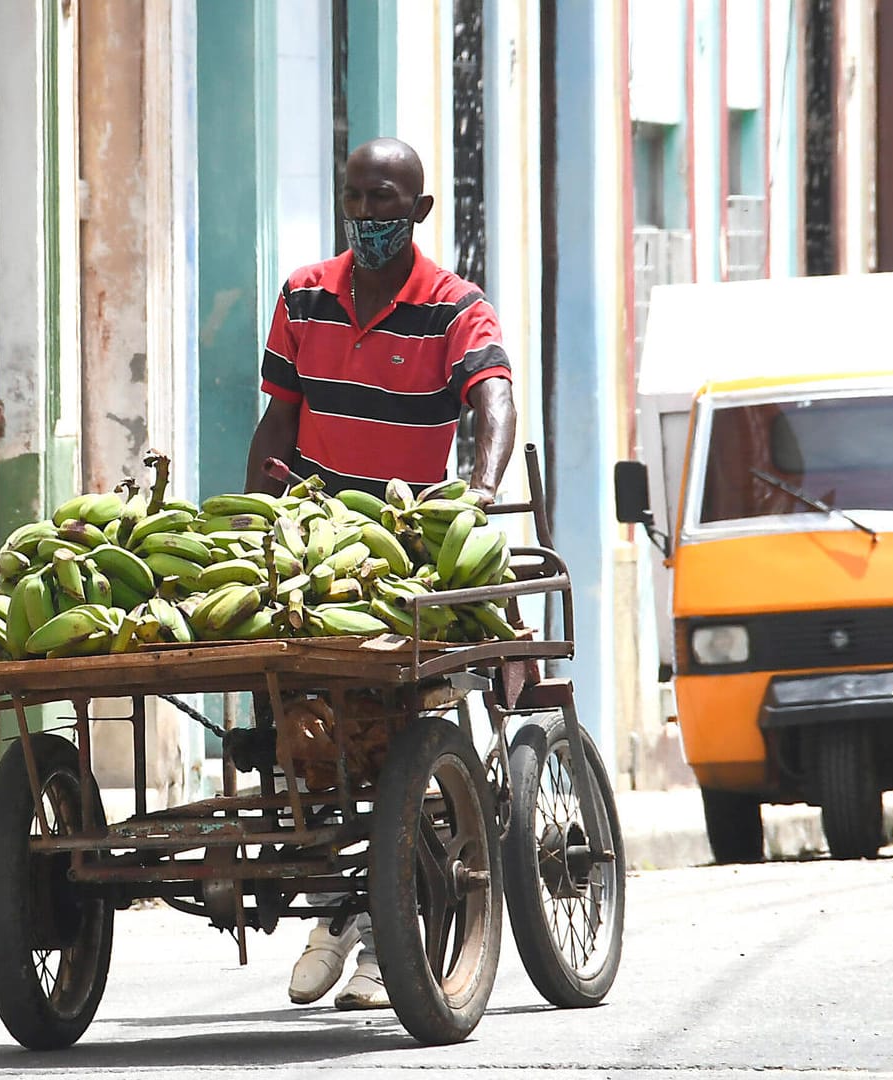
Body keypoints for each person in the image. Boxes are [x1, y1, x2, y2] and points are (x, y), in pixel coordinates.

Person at [246, 139, 517, 1009]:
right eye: (356, 198)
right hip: (316, 551)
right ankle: (339, 901)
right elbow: (276, 426)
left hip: (405, 548)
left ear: (421, 210)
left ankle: (381, 933)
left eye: (386, 200)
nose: (368, 215)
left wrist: (478, 490)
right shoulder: (301, 295)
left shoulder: (454, 308)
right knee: (307, 729)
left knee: (402, 727)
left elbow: (493, 400)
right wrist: (252, 530)